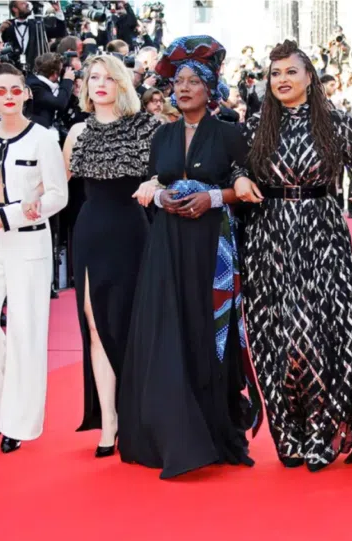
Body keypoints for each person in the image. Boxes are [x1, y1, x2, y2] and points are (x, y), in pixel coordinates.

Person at [232, 40, 352, 471]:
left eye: (291, 72)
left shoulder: (336, 124)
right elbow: (231, 167)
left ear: (309, 77)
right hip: (268, 241)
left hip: (323, 239)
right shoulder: (254, 128)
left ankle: (322, 435)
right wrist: (239, 178)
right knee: (275, 341)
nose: (282, 80)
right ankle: (290, 436)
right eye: (275, 73)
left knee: (316, 338)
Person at [121, 36, 259, 479]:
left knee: (206, 332)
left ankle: (213, 433)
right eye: (177, 81)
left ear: (210, 87)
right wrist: (160, 195)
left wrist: (212, 198)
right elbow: (154, 182)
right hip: (166, 245)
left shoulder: (230, 134)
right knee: (169, 328)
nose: (182, 88)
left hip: (211, 248)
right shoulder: (160, 134)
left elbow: (249, 192)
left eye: (191, 81)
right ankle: (169, 434)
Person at [0, 63, 69, 454]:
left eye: (14, 89)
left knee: (26, 333)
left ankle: (17, 423)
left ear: (26, 93)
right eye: (0, 90)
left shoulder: (43, 139)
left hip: (27, 243)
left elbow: (58, 195)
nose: (7, 96)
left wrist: (10, 214)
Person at [63, 54, 161, 457]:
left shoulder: (146, 126)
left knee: (131, 320)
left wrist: (154, 183)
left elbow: (167, 169)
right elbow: (53, 182)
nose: (99, 83)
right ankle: (109, 420)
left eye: (108, 77)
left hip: (131, 229)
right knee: (96, 322)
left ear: (123, 84)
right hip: (89, 230)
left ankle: (141, 411)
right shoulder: (77, 131)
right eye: (92, 77)